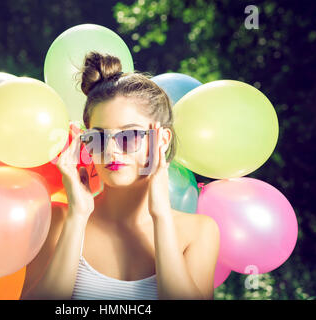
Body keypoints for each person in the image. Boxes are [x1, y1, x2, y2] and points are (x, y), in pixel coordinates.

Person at [20, 51, 220, 300]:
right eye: (98, 138)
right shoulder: (56, 221)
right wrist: (77, 216)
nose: (111, 150)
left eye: (130, 136)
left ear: (162, 140)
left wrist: (161, 214)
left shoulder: (199, 232)